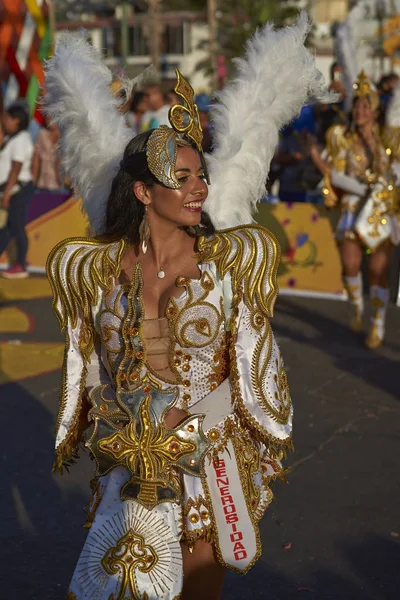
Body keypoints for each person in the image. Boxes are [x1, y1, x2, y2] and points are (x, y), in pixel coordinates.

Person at [44, 14, 328, 599]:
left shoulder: (229, 268)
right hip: (131, 462)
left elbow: (260, 374)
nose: (199, 187)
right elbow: (90, 372)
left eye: (201, 174)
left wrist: (220, 437)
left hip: (207, 468)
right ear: (145, 192)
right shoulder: (97, 272)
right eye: (183, 177)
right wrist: (118, 429)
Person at [322, 70, 400, 349]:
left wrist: (390, 179)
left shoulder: (387, 141)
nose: (359, 110)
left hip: (380, 213)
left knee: (379, 271)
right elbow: (337, 174)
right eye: (357, 105)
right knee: (351, 265)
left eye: (365, 106)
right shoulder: (343, 138)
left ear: (376, 112)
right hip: (353, 209)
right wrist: (364, 188)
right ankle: (357, 306)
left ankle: (377, 324)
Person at [0, 103, 35, 278]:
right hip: (11, 188)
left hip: (17, 189)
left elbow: (16, 167)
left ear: (16, 120)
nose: (4, 121)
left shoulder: (22, 139)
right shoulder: (12, 138)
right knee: (6, 228)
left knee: (16, 225)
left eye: (7, 118)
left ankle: (20, 264)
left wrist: (6, 192)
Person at [31, 119, 62, 191]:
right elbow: (35, 162)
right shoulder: (42, 134)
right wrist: (33, 183)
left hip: (62, 185)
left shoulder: (67, 136)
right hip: (43, 183)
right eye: (47, 117)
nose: (49, 120)